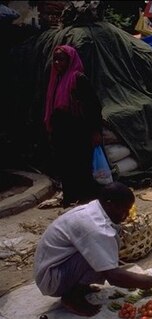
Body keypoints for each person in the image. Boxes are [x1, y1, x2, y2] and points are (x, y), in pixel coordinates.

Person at [34, 182, 152, 316]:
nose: (126, 215)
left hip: (59, 266)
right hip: (52, 278)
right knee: (99, 252)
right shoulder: (95, 227)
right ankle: (71, 297)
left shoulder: (95, 208)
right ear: (109, 204)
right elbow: (113, 277)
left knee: (101, 250)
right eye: (124, 209)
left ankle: (80, 286)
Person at [44, 45, 102, 207]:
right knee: (65, 164)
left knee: (81, 163)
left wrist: (95, 131)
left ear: (69, 60)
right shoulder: (55, 80)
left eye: (61, 59)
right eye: (55, 59)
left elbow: (93, 106)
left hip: (78, 129)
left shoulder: (78, 78)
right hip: (61, 129)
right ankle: (70, 197)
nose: (57, 63)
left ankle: (86, 200)